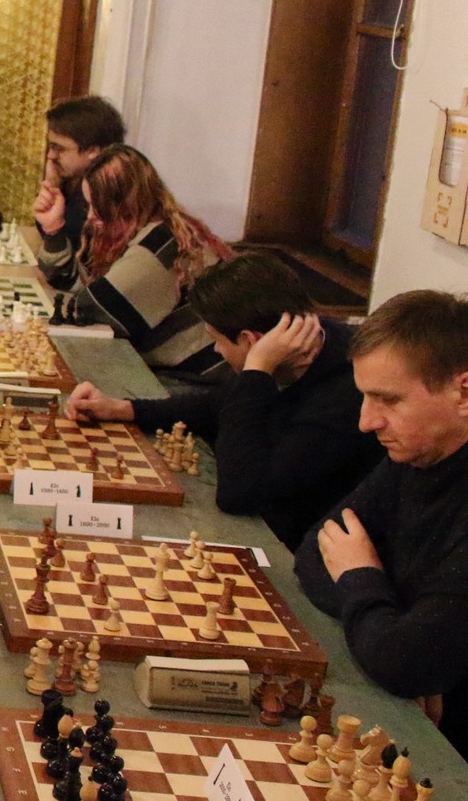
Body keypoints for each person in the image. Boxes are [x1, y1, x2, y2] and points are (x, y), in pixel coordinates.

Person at [66, 252, 381, 547]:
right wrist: (125, 408)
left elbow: (239, 493)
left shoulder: (344, 397)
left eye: (216, 340)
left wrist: (256, 370)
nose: (216, 350)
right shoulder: (299, 342)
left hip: (299, 546)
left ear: (250, 340)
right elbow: (217, 404)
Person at [294, 291, 468, 755]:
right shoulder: (417, 454)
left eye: (388, 400)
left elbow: (402, 663)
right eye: (365, 397)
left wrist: (361, 577)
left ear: (464, 393)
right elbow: (314, 551)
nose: (366, 422)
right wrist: (392, 627)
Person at [50, 144, 231, 376]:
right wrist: (53, 229)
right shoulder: (150, 229)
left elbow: (92, 310)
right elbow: (74, 284)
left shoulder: (160, 243)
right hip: (181, 371)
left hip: (195, 380)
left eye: (100, 207)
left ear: (125, 204)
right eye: (89, 205)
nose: (91, 216)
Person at [34, 95, 127, 288]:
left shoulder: (113, 196)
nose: (50, 156)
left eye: (59, 148)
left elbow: (73, 261)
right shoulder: (74, 183)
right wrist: (53, 187)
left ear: (92, 151)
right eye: (50, 146)